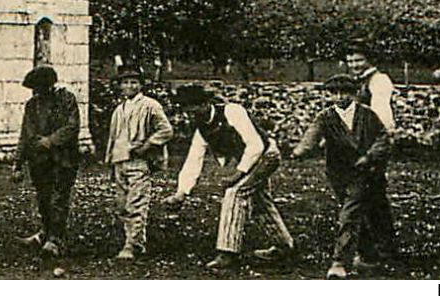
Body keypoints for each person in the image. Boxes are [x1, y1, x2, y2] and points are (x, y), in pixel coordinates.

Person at [163, 84, 294, 270]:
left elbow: (255, 145)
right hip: (249, 159)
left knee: (235, 192)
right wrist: (181, 193)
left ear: (206, 103)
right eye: (185, 109)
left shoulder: (232, 111)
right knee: (260, 201)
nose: (189, 114)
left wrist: (238, 173)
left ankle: (227, 252)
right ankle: (284, 246)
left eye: (193, 108)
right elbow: (194, 160)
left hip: (267, 154)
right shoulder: (201, 129)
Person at [290, 73, 390, 279]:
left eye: (344, 92)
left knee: (349, 214)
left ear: (354, 94)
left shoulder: (366, 115)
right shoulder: (325, 116)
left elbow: (383, 138)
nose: (339, 97)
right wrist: (300, 150)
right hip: (338, 174)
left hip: (364, 173)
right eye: (334, 93)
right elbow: (312, 134)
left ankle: (339, 263)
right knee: (357, 213)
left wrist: (369, 157)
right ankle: (370, 256)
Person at [103, 64, 173, 260]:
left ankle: (131, 245)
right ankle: (135, 240)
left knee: (137, 202)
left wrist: (147, 145)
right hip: (120, 159)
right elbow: (113, 136)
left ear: (141, 85)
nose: (129, 86)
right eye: (125, 82)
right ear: (120, 86)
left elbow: (166, 130)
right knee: (122, 204)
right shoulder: (119, 109)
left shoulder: (150, 105)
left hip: (138, 161)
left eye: (134, 82)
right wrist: (109, 159)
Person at [14, 64, 81, 258]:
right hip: (39, 161)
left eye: (39, 87)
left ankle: (55, 240)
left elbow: (72, 127)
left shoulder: (66, 99)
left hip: (64, 159)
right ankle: (45, 233)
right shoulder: (32, 105)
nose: (36, 92)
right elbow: (25, 135)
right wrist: (18, 164)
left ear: (50, 85)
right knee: (43, 199)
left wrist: (50, 141)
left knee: (58, 199)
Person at [343, 43, 398, 265]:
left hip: (372, 145)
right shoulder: (359, 82)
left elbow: (382, 116)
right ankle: (373, 250)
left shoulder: (379, 81)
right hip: (358, 145)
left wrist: (374, 150)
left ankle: (381, 252)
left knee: (373, 198)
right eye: (350, 61)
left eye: (358, 60)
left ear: (370, 60)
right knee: (364, 197)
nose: (354, 65)